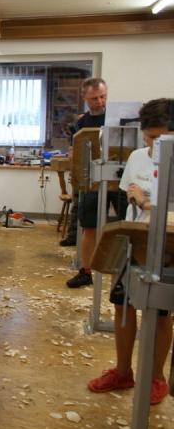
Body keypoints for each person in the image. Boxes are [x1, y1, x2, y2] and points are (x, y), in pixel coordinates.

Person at [86, 98, 174, 405]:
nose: (154, 143)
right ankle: (123, 371)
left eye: (162, 137)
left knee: (159, 313)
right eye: (150, 136)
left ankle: (156, 377)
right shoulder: (137, 157)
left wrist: (146, 203)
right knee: (122, 306)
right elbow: (128, 198)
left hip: (165, 246)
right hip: (133, 241)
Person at [66, 77, 127, 287]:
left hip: (119, 180)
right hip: (92, 182)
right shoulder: (80, 125)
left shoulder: (119, 119)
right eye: (94, 99)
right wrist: (73, 154)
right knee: (89, 226)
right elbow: (74, 152)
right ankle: (85, 271)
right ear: (84, 97)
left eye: (103, 97)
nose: (100, 102)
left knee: (127, 224)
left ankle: (126, 273)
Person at [58, 112, 80, 246]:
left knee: (78, 204)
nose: (68, 137)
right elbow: (71, 153)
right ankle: (73, 235)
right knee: (77, 203)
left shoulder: (80, 127)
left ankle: (74, 235)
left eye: (68, 133)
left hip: (89, 172)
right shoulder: (75, 132)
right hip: (79, 170)